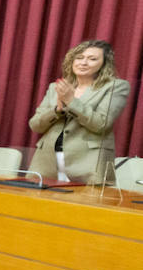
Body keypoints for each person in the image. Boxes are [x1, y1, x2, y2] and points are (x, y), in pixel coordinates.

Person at [28, 40, 131, 184]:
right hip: (47, 163)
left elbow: (101, 124)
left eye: (92, 59)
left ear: (104, 64)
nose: (83, 62)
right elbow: (35, 125)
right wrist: (57, 110)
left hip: (87, 165)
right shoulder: (56, 87)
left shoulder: (116, 86)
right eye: (79, 57)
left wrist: (72, 102)